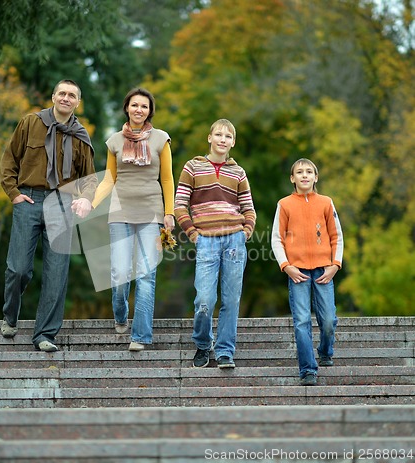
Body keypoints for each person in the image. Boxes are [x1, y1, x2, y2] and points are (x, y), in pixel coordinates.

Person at [73, 87, 175, 351]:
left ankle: (140, 336)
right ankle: (120, 313)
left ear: (150, 111)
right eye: (134, 105)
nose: (139, 109)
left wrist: (169, 212)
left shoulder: (161, 140)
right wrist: (91, 201)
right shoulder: (114, 141)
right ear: (127, 108)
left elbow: (167, 179)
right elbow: (109, 179)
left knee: (146, 275)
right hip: (120, 213)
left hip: (151, 213)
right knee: (119, 274)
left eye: (144, 106)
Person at [0, 79, 96, 352]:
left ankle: (45, 335)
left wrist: (86, 199)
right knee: (18, 268)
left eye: (72, 95)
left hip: (62, 204)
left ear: (77, 102)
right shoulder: (30, 123)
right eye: (62, 93)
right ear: (53, 96)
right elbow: (9, 161)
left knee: (56, 273)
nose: (66, 98)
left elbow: (89, 178)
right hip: (29, 199)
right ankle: (10, 314)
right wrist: (14, 193)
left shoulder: (80, 136)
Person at [174, 119, 256, 369]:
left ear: (233, 142)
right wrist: (193, 233)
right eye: (218, 134)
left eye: (228, 136)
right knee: (205, 299)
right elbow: (179, 205)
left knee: (231, 300)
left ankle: (225, 351)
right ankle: (202, 343)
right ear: (209, 138)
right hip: (206, 239)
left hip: (234, 238)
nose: (223, 139)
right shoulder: (193, 167)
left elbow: (249, 208)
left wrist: (246, 231)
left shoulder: (238, 172)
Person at [271, 158, 344, 386]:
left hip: (324, 270)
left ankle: (325, 350)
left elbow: (337, 236)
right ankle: (308, 369)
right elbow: (276, 238)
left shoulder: (326, 203)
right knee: (302, 320)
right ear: (292, 178)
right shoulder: (284, 204)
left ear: (316, 177)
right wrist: (287, 266)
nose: (304, 175)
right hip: (297, 272)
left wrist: (335, 265)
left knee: (329, 320)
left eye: (309, 172)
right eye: (299, 172)